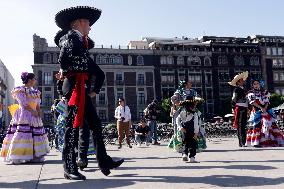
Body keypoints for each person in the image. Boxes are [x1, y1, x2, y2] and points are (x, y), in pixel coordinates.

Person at [54, 6, 124, 180]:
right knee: (72, 128)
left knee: (95, 125)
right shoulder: (69, 37)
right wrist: (85, 65)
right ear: (79, 22)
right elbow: (64, 59)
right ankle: (69, 167)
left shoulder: (80, 41)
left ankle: (104, 160)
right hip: (74, 90)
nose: (90, 27)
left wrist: (93, 87)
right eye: (88, 23)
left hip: (81, 90)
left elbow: (91, 69)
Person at [0, 72, 50, 164]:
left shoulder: (36, 92)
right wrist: (33, 111)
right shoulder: (21, 90)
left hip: (34, 116)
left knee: (34, 134)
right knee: (22, 134)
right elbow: (24, 104)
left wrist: (38, 112)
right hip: (24, 114)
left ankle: (34, 155)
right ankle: (18, 155)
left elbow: (38, 104)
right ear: (30, 80)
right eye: (34, 79)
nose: (35, 80)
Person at [245, 80, 284, 147]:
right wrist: (261, 108)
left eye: (257, 83)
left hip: (266, 110)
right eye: (255, 84)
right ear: (252, 85)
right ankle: (256, 142)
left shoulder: (265, 92)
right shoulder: (251, 93)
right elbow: (253, 102)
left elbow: (267, 101)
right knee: (257, 125)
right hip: (256, 111)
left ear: (260, 84)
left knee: (270, 124)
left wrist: (265, 108)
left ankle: (272, 141)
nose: (256, 85)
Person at [228, 71, 249, 147]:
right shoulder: (236, 89)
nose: (243, 81)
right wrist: (233, 108)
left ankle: (244, 141)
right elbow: (233, 100)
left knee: (244, 125)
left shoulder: (244, 89)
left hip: (245, 107)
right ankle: (241, 142)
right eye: (241, 80)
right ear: (238, 82)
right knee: (240, 125)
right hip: (239, 108)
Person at [176, 97, 200, 163]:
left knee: (185, 143)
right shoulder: (194, 114)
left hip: (184, 131)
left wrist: (181, 127)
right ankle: (191, 157)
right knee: (193, 144)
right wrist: (196, 133)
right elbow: (196, 124)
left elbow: (177, 120)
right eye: (193, 106)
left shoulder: (182, 113)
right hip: (192, 131)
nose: (194, 108)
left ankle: (185, 154)